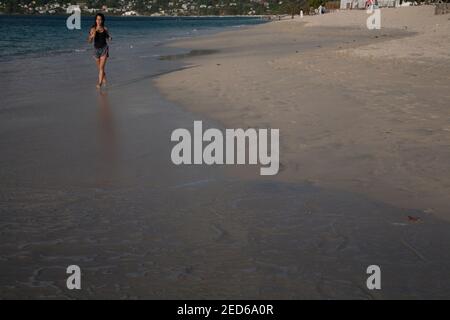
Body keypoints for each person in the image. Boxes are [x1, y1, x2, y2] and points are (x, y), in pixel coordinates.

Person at [88, 13, 111, 89]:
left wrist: (110, 38)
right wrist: (92, 35)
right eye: (97, 19)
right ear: (95, 20)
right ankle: (104, 76)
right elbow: (89, 41)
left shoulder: (105, 29)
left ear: (102, 20)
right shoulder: (93, 29)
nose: (99, 21)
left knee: (101, 67)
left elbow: (108, 37)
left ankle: (99, 83)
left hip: (104, 49)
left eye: (100, 19)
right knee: (100, 68)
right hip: (96, 50)